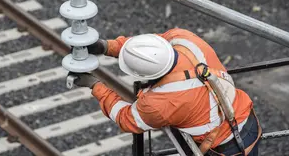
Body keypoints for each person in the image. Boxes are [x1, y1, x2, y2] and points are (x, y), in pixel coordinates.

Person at [72, 28, 262, 155]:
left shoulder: (159, 104)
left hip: (225, 149)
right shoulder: (183, 38)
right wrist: (107, 47)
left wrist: (95, 86)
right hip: (247, 120)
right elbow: (148, 48)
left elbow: (125, 118)